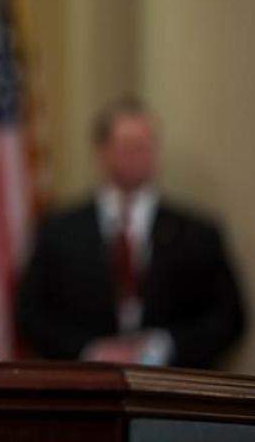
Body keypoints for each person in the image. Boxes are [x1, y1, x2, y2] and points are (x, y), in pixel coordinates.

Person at [16, 97, 246, 368]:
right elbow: (30, 314)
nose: (137, 155)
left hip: (174, 391)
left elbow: (229, 317)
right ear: (101, 152)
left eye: (145, 145)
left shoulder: (199, 234)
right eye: (126, 145)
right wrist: (91, 350)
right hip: (82, 393)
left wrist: (163, 346)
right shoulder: (58, 230)